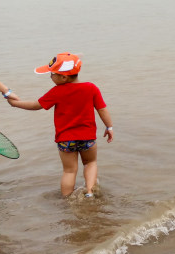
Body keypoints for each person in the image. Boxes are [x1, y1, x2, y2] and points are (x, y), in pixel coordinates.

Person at [7, 53, 113, 198]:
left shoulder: (57, 91)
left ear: (63, 77)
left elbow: (35, 105)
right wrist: (109, 127)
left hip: (66, 140)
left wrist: (15, 104)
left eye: (52, 74)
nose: (50, 76)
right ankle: (89, 192)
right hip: (87, 138)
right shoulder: (91, 88)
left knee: (69, 171)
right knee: (90, 163)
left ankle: (67, 201)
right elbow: (102, 109)